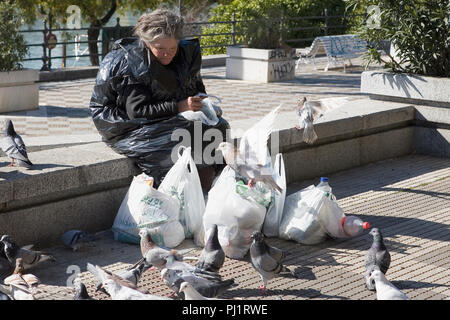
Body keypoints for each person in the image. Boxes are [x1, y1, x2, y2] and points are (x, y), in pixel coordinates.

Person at [90, 8, 229, 189]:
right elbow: (137, 111)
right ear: (147, 43)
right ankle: (174, 195)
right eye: (160, 49)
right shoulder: (132, 61)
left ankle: (209, 193)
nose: (167, 54)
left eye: (172, 48)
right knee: (182, 136)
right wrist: (180, 106)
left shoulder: (185, 54)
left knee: (219, 127)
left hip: (163, 115)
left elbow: (195, 87)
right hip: (123, 124)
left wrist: (203, 104)